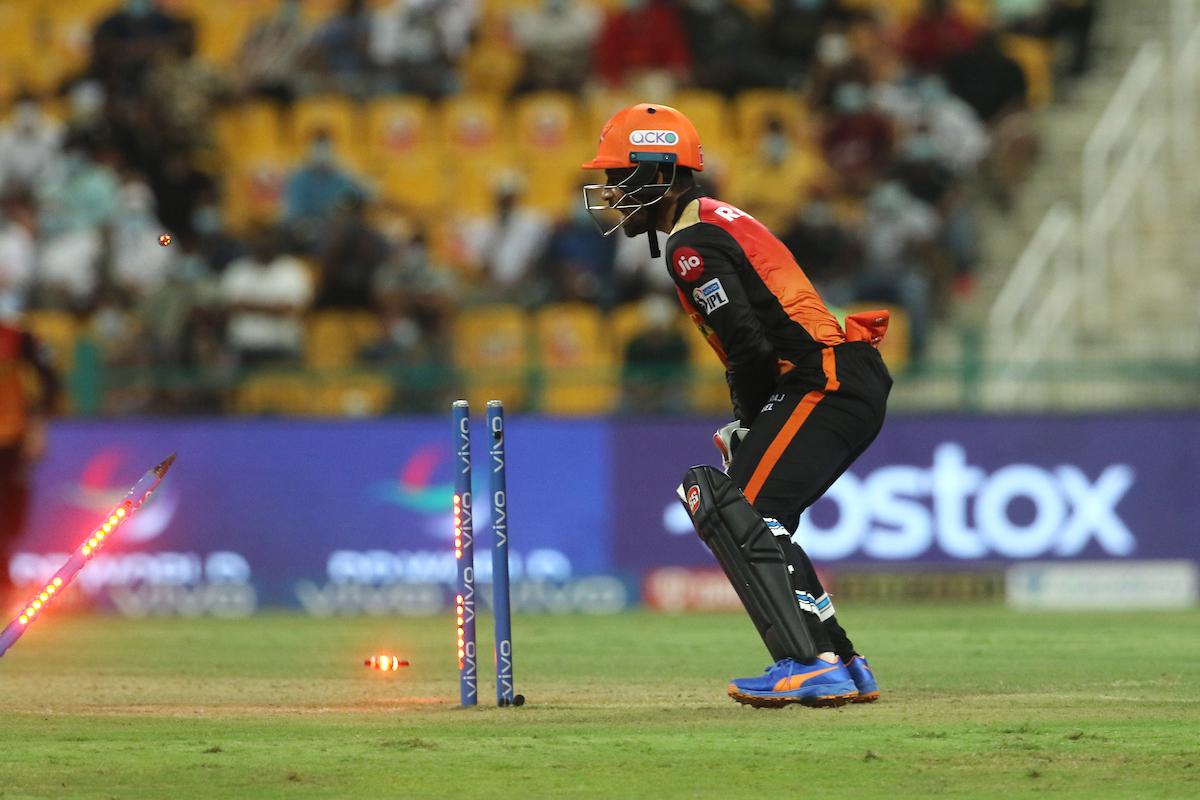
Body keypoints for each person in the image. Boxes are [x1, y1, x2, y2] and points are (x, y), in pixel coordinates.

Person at [582, 103, 892, 707]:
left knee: (740, 510)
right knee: (759, 515)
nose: (613, 192)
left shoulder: (691, 245)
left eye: (622, 176)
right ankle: (844, 663)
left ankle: (810, 663)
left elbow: (746, 347)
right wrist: (754, 417)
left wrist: (751, 419)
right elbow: (754, 343)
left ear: (662, 176)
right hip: (831, 377)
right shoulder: (711, 222)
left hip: (822, 379)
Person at [0, 318, 59, 612]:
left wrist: (37, 426)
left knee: (8, 521)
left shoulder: (15, 337)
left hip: (9, 440)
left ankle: (5, 590)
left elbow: (49, 379)